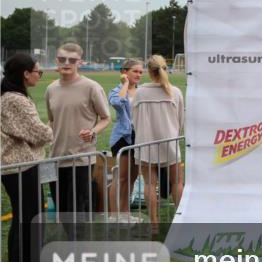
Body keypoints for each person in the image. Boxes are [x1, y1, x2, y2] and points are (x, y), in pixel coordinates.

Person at [1, 54, 52, 262]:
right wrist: (51, 126)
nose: (39, 76)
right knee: (28, 224)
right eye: (38, 72)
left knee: (26, 222)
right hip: (20, 168)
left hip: (20, 167)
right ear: (25, 74)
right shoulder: (15, 100)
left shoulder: (11, 96)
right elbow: (39, 133)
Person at [45, 43, 110, 220]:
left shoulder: (92, 87)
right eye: (62, 59)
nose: (66, 63)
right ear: (56, 61)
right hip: (56, 158)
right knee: (61, 210)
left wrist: (93, 131)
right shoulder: (51, 89)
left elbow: (106, 118)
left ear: (80, 62)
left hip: (81, 158)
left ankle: (78, 238)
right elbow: (52, 121)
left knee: (76, 209)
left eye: (72, 60)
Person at [132, 55, 184, 233]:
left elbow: (134, 120)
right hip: (169, 141)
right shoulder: (175, 92)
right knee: (177, 182)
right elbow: (180, 120)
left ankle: (154, 224)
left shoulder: (140, 92)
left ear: (149, 71)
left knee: (149, 184)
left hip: (145, 142)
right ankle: (181, 221)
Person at [108, 59, 143, 222]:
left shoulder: (142, 91)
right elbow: (117, 102)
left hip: (139, 137)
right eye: (135, 71)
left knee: (132, 178)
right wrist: (125, 84)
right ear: (124, 71)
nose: (139, 75)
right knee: (120, 177)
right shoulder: (116, 91)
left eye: (141, 72)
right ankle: (114, 215)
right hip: (122, 137)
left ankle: (125, 214)